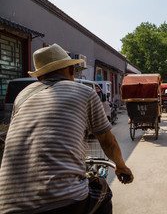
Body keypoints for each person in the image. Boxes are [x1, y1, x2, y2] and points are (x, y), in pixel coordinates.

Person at [0, 44, 133, 214]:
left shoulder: (22, 97)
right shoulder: (85, 93)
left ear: (40, 76)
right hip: (63, 201)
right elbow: (108, 142)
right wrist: (121, 166)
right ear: (71, 69)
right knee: (103, 191)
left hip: (7, 203)